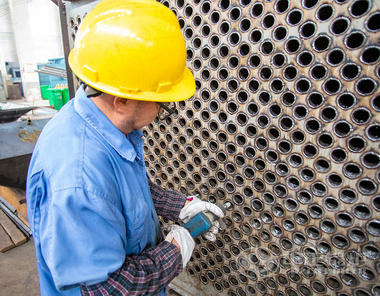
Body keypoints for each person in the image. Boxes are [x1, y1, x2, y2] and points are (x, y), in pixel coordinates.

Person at [26, 0, 225, 295]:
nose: (161, 110)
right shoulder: (78, 180)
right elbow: (106, 289)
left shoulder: (100, 125)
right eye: (160, 101)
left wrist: (180, 206)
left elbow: (120, 192)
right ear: (122, 101)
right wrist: (172, 253)